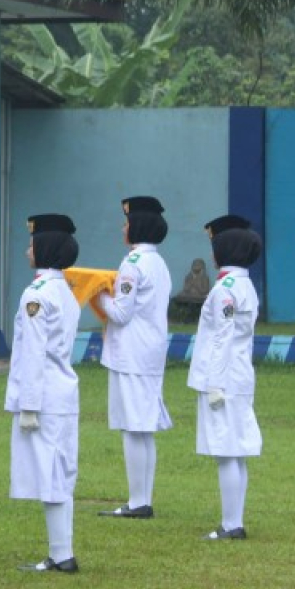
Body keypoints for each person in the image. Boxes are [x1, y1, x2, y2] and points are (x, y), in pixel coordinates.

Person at [7, 214, 81, 574]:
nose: (27, 251)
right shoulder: (64, 290)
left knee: (52, 477)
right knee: (61, 474)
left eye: (32, 244)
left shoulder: (36, 294)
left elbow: (33, 352)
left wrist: (28, 405)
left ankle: (61, 554)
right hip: (62, 392)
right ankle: (61, 552)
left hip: (45, 396)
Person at [95, 196, 174, 520]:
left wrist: (96, 291)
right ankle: (141, 498)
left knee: (133, 427)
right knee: (143, 429)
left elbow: (120, 313)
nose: (123, 227)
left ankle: (138, 500)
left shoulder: (133, 264)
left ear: (137, 226)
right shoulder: (158, 262)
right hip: (150, 350)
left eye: (127, 222)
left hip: (131, 353)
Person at [188, 214, 263, 541]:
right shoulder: (243, 284)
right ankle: (234, 520)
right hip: (238, 372)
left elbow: (221, 336)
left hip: (224, 377)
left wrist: (214, 382)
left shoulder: (226, 289)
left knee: (226, 451)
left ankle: (232, 524)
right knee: (235, 451)